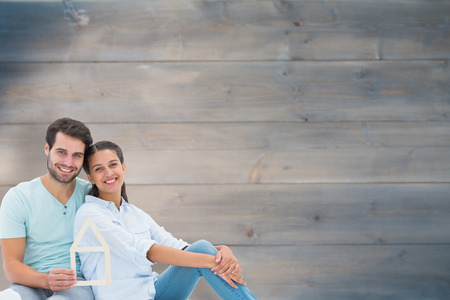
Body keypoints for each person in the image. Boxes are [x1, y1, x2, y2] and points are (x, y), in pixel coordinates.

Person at [75, 141, 257, 299]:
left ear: (123, 168)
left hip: (154, 292)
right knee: (207, 256)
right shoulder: (90, 214)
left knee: (202, 248)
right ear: (90, 177)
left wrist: (222, 251)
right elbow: (143, 250)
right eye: (99, 169)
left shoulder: (135, 214)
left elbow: (179, 247)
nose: (108, 173)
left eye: (113, 165)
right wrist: (212, 262)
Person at [0, 118, 95, 300]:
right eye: (61, 152)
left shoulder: (92, 195)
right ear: (47, 149)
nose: (68, 162)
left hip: (77, 287)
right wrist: (46, 280)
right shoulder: (18, 197)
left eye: (77, 155)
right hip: (30, 285)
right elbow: (12, 266)